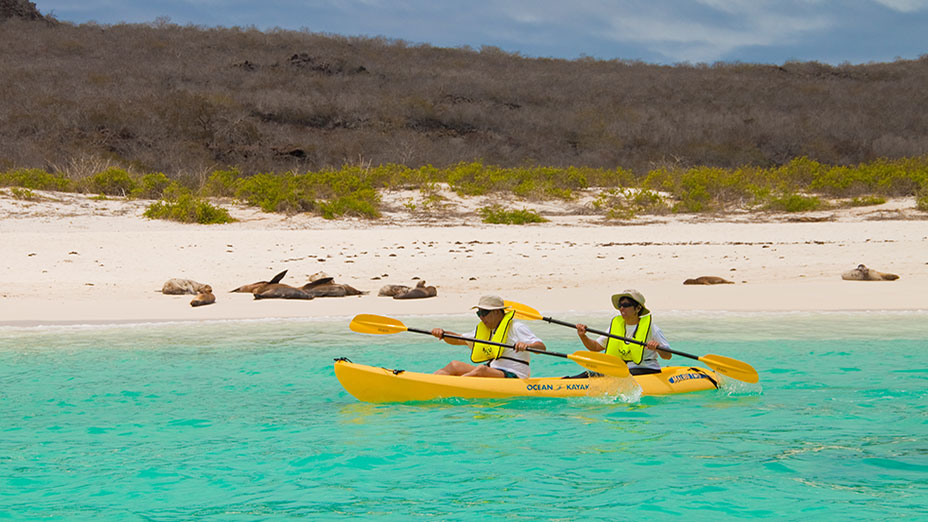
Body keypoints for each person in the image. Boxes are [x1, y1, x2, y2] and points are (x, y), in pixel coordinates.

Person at [431, 295, 546, 378]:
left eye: (484, 313)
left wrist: (527, 346)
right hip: (492, 371)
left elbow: (541, 347)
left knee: (481, 369)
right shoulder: (484, 329)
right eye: (478, 313)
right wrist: (443, 333)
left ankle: (453, 386)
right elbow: (458, 339)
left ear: (496, 312)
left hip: (515, 374)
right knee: (454, 365)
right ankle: (432, 381)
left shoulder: (517, 327)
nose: (481, 317)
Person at [575, 289, 671, 375]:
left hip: (646, 370)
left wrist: (657, 348)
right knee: (585, 375)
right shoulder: (616, 325)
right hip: (622, 371)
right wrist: (583, 336)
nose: (621, 308)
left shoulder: (651, 328)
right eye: (620, 305)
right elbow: (595, 347)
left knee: (623, 375)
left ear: (638, 308)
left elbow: (668, 356)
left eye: (626, 305)